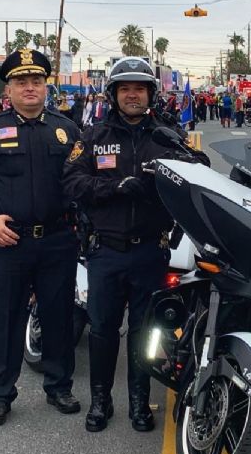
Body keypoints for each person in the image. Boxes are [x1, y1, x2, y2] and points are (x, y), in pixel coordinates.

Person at [64, 57, 209, 432]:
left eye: (139, 88)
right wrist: (113, 188)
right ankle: (100, 401)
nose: (133, 95)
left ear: (150, 94)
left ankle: (140, 403)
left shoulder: (165, 134)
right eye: (125, 88)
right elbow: (72, 182)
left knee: (147, 333)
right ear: (113, 94)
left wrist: (185, 154)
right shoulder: (93, 137)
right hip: (106, 251)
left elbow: (200, 172)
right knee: (102, 330)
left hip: (151, 251)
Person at [0, 48, 83, 426]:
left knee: (59, 316)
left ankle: (59, 385)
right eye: (20, 81)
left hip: (58, 241)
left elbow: (83, 183)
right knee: (4, 320)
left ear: (46, 86)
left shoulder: (67, 130)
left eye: (36, 81)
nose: (29, 88)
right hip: (8, 242)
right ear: (8, 89)